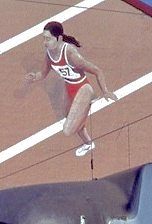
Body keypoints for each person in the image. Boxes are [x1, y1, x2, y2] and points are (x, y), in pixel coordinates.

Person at [25, 21, 116, 156]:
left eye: (48, 39)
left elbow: (97, 71)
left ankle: (90, 101)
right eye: (44, 38)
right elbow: (43, 74)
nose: (45, 42)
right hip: (70, 87)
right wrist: (34, 78)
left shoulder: (70, 54)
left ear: (59, 38)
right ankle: (88, 143)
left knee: (68, 130)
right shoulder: (49, 54)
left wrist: (105, 91)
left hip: (83, 88)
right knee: (72, 119)